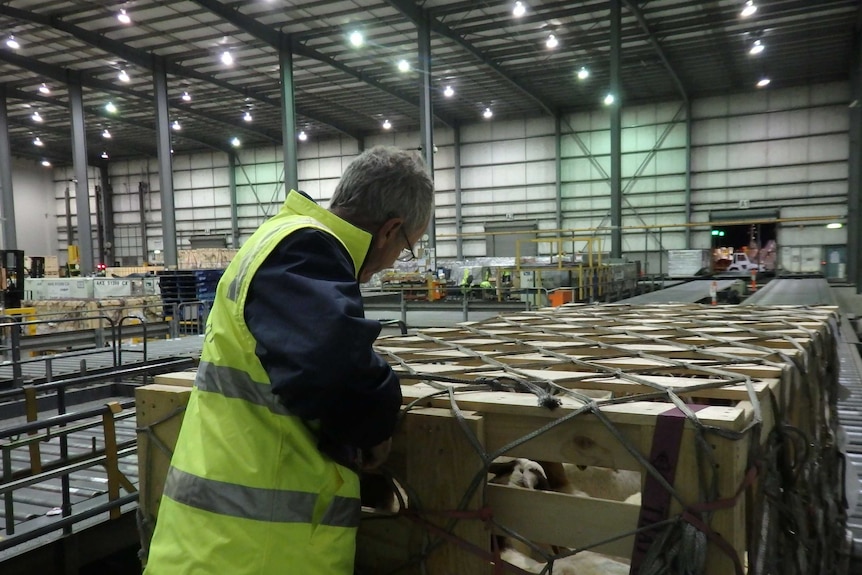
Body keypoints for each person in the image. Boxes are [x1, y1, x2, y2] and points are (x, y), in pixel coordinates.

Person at [144, 145, 434, 574]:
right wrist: (378, 417)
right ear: (391, 230)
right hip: (250, 551)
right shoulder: (304, 251)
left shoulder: (283, 239)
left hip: (225, 545)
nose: (396, 261)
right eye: (407, 248)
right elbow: (334, 369)